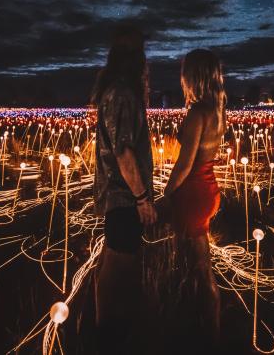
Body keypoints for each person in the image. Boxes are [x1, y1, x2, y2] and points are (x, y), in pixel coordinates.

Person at [91, 25, 157, 353]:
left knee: (115, 265)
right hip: (123, 197)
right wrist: (142, 198)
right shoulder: (122, 94)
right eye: (142, 55)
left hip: (121, 196)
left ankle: (110, 331)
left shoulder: (118, 93)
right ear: (134, 60)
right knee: (120, 266)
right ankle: (108, 337)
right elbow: (123, 151)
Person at [163, 49, 225, 345]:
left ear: (193, 76)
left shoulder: (197, 113)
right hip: (208, 188)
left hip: (193, 192)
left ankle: (211, 331)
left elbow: (185, 164)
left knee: (201, 266)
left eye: (185, 72)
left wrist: (166, 192)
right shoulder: (216, 111)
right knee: (195, 261)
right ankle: (197, 315)